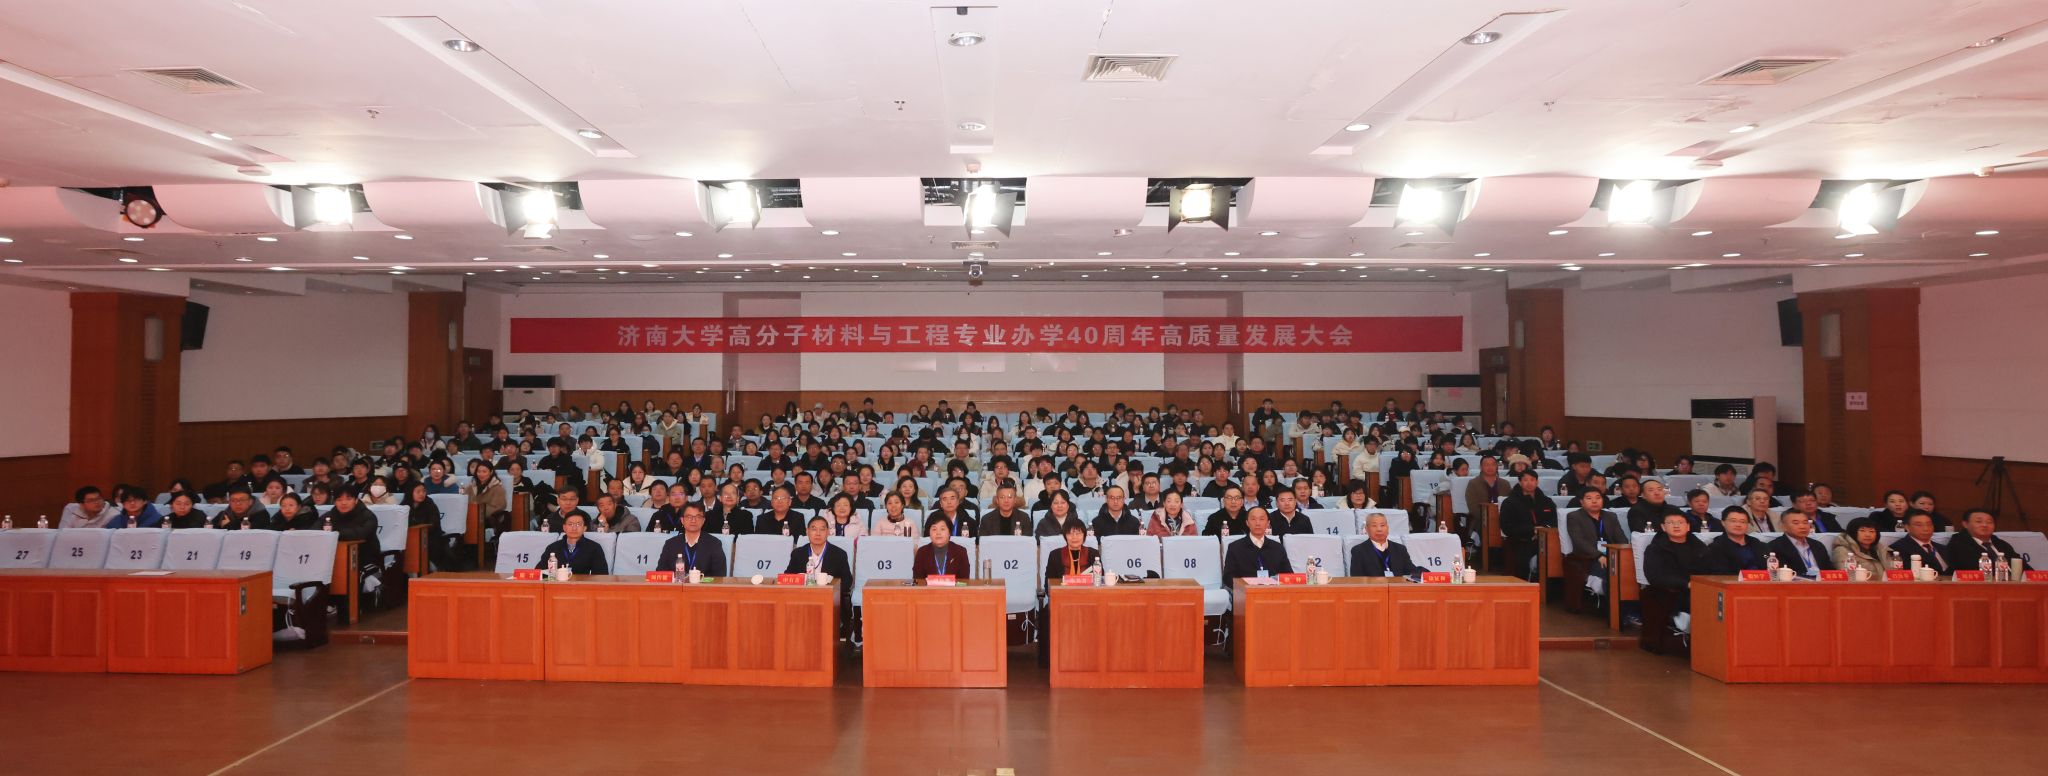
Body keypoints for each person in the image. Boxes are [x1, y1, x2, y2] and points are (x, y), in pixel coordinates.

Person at [1640, 512, 1709, 655]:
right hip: (1673, 591)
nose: (1676, 526)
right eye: (1671, 523)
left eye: (1680, 522)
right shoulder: (1655, 549)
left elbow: (1711, 569)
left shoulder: (1700, 547)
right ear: (1663, 527)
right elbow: (1655, 576)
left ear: (1688, 527)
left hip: (1701, 587)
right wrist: (1686, 584)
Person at [1563, 489, 1627, 614]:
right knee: (1611, 575)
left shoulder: (1610, 516)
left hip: (1612, 555)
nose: (1594, 501)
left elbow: (1621, 539)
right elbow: (1579, 542)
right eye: (1589, 498)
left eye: (1598, 498)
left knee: (1627, 573)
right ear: (1581, 502)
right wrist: (1598, 555)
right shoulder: (1574, 517)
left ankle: (1629, 609)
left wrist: (1622, 556)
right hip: (1588, 557)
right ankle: (1617, 612)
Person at [1498, 471, 1557, 581]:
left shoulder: (1546, 501)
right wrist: (1532, 530)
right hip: (1521, 540)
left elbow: (1554, 521)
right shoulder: (1510, 502)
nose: (1529, 483)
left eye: (1532, 480)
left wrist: (1544, 530)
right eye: (1525, 480)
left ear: (1537, 482)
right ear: (1520, 482)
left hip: (1546, 539)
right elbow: (1507, 527)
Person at [1942, 508, 2031, 573]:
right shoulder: (1958, 544)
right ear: (1965, 524)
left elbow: (2022, 565)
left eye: (1989, 522)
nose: (1985, 525)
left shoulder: (2001, 544)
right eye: (1978, 521)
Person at [1221, 508, 1292, 587]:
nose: (1257, 523)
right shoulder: (1235, 547)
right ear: (1247, 523)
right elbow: (1228, 577)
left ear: (1268, 523)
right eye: (1253, 519)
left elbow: (1289, 575)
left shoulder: (1278, 547)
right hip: (1246, 591)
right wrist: (1246, 586)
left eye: (1261, 519)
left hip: (1274, 591)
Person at [659, 504, 727, 576]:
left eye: (698, 517)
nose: (693, 520)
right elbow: (661, 571)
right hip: (677, 582)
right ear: (682, 520)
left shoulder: (714, 544)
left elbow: (720, 575)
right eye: (689, 517)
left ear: (703, 520)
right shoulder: (670, 544)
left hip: (703, 583)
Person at [1349, 512, 1419, 577]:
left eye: (1382, 525)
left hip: (1398, 586)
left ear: (1387, 528)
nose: (1379, 529)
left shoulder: (1400, 549)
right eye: (1374, 526)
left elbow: (1412, 572)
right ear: (1367, 529)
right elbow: (1357, 579)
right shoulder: (1358, 551)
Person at [535, 513, 608, 575]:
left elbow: (602, 576)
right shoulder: (553, 548)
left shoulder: (594, 548)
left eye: (578, 524)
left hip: (583, 586)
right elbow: (538, 572)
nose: (574, 528)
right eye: (570, 524)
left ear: (584, 528)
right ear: (564, 527)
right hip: (557, 585)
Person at [1765, 512, 1833, 578]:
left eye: (1805, 522)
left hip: (1824, 582)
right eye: (1796, 523)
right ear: (1783, 526)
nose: (1802, 526)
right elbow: (1778, 575)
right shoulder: (1774, 547)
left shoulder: (1818, 545)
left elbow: (1830, 570)